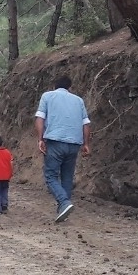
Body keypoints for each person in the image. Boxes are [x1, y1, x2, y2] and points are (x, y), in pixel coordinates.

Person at [35, 75, 91, 222]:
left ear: (55, 86)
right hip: (74, 143)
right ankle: (63, 209)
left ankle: (64, 202)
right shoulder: (78, 100)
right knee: (67, 176)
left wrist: (40, 139)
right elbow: (85, 123)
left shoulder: (47, 96)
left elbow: (40, 118)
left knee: (51, 176)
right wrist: (86, 144)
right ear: (69, 87)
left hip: (55, 141)